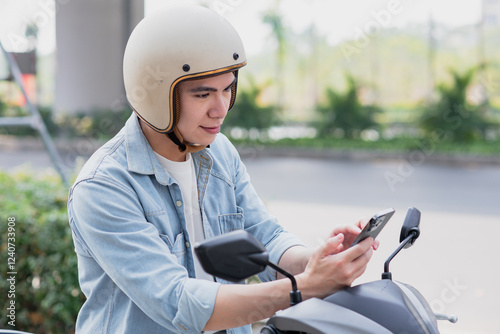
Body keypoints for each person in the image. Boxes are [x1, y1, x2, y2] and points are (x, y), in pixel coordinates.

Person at [67, 4, 378, 334]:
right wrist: (304, 287)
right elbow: (179, 304)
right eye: (203, 94)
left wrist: (318, 261)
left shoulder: (219, 153)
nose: (221, 108)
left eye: (228, 89)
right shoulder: (103, 187)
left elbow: (266, 236)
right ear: (156, 96)